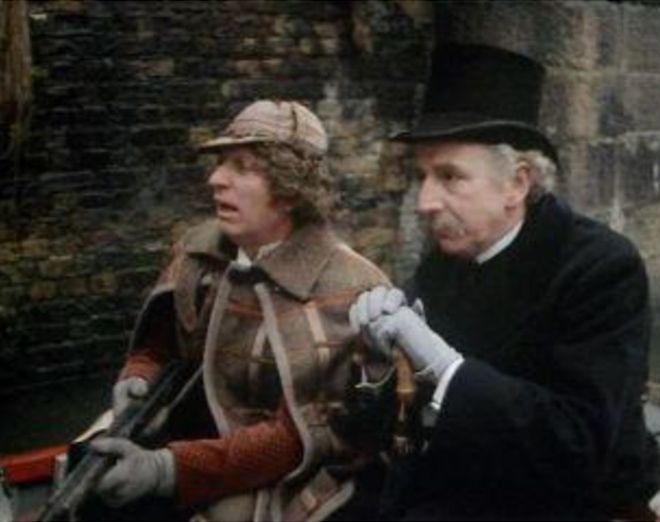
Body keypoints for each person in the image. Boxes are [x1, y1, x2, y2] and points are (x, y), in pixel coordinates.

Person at [350, 43, 660, 520]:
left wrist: (447, 369)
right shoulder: (443, 265)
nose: (425, 201)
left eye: (450, 177)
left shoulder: (601, 268)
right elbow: (393, 439)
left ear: (517, 183)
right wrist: (381, 371)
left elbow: (580, 445)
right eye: (422, 176)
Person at [90, 100, 395, 521]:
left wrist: (167, 470)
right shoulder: (199, 253)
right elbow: (161, 346)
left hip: (293, 473)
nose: (216, 179)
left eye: (242, 167)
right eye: (221, 164)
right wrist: (139, 374)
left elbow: (298, 437)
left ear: (291, 190)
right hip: (194, 442)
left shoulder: (352, 288)